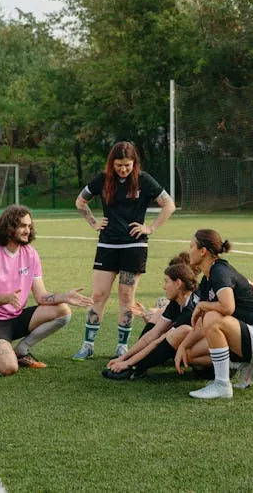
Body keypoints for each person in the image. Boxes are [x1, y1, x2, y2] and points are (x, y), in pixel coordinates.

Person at [72, 141, 177, 360]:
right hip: (107, 244)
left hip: (134, 246)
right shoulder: (102, 180)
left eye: (127, 165)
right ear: (112, 163)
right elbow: (80, 201)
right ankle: (87, 344)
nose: (123, 169)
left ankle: (122, 345)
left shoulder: (144, 180)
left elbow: (169, 205)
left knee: (126, 295)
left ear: (134, 163)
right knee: (99, 294)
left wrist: (150, 228)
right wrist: (93, 222)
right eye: (119, 165)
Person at [0, 205, 92, 376]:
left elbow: (41, 296)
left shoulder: (30, 254)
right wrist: (6, 298)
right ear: (8, 227)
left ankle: (21, 350)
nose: (27, 230)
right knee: (8, 368)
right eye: (22, 226)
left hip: (16, 318)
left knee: (63, 310)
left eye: (29, 226)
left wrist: (65, 296)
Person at [174, 228, 253, 399]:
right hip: (247, 337)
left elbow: (227, 307)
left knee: (212, 317)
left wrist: (202, 306)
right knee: (189, 354)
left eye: (191, 246)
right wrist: (183, 346)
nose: (189, 251)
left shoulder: (219, 271)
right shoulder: (208, 276)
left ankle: (222, 384)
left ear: (203, 251)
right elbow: (200, 324)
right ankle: (242, 365)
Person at [101, 253, 199, 380]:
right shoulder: (178, 301)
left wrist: (129, 363)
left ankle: (137, 368)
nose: (164, 286)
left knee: (178, 333)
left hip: (208, 361)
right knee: (160, 323)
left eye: (167, 282)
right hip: (189, 347)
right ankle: (136, 364)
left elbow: (159, 341)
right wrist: (124, 357)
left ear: (178, 283)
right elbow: (153, 334)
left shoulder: (190, 310)